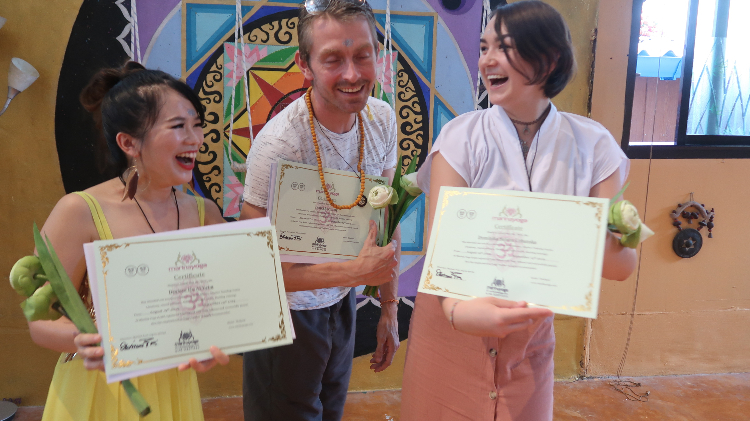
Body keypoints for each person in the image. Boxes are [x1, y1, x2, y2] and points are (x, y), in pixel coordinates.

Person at [401, 2, 638, 420]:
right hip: (452, 321)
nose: (486, 60)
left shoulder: (595, 147)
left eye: (503, 48)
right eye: (483, 47)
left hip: (528, 330)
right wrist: (458, 311)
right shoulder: (460, 138)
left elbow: (619, 264)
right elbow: (447, 253)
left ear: (550, 60)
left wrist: (618, 231)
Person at [29, 61, 229, 421]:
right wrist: (82, 340)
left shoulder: (206, 215)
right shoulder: (79, 211)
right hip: (99, 393)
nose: (195, 139)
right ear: (128, 142)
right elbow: (39, 320)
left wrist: (208, 345)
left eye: (197, 125)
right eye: (178, 126)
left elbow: (213, 312)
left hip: (174, 389)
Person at [238, 0, 401, 419]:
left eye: (362, 55)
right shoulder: (279, 146)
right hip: (285, 320)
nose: (352, 74)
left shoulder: (381, 119)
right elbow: (256, 266)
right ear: (304, 65)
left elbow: (384, 221)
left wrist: (387, 308)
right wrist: (356, 273)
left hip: (341, 307)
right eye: (333, 59)